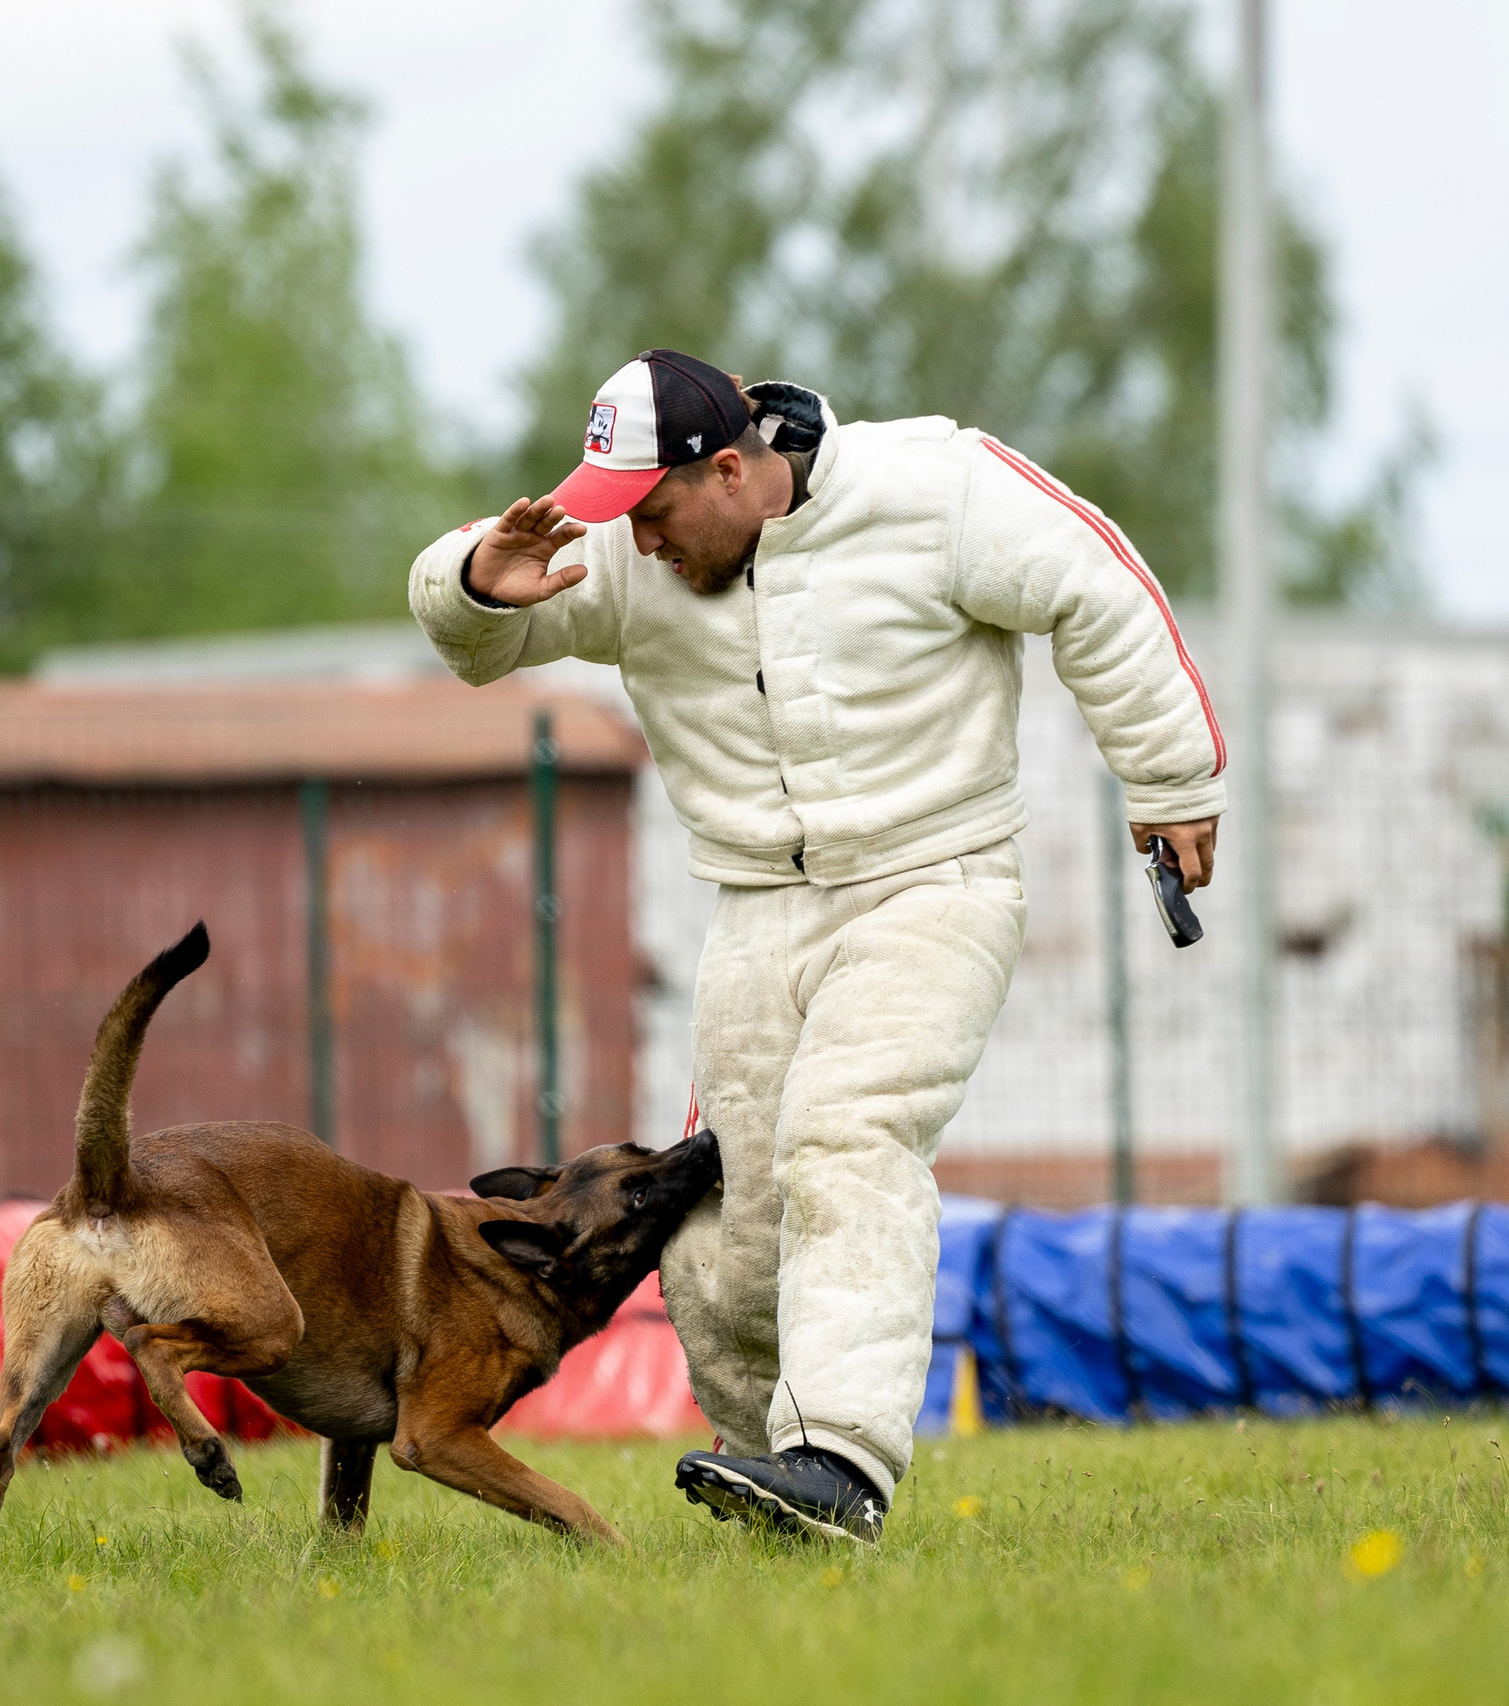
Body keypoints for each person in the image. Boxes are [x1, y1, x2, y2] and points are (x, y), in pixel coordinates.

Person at [407, 348, 1224, 1543]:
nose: (634, 544)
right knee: (720, 1225)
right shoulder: (630, 549)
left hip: (931, 883)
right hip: (754, 917)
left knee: (846, 1129)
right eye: (611, 515)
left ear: (730, 469)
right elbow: (475, 628)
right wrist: (473, 582)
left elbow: (1095, 584)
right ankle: (768, 1481)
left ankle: (839, 1459)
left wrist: (1168, 779)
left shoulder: (935, 488)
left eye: (651, 511)